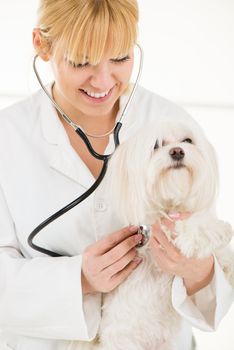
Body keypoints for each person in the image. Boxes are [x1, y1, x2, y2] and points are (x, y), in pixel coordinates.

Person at [0, 1, 233, 349]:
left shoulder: (170, 122)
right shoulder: (9, 136)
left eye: (121, 58)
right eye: (82, 62)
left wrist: (197, 272)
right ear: (41, 46)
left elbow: (206, 254)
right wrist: (78, 278)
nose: (104, 80)